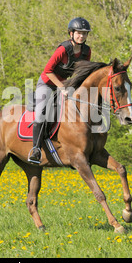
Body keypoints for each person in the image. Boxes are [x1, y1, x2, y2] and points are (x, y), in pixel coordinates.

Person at [28, 17, 92, 164]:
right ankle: (36, 150)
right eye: (78, 33)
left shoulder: (86, 51)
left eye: (84, 33)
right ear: (71, 33)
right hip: (47, 83)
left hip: (66, 84)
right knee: (42, 112)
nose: (81, 36)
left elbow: (82, 73)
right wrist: (61, 87)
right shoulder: (63, 49)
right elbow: (48, 71)